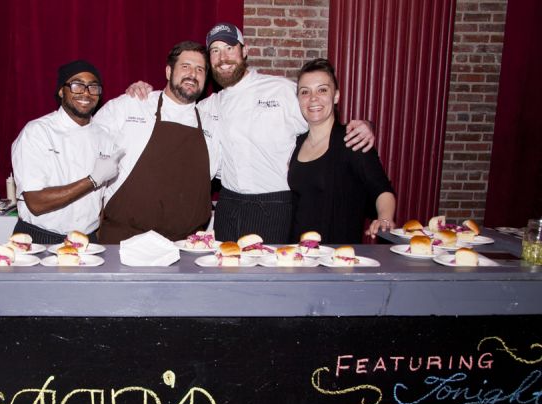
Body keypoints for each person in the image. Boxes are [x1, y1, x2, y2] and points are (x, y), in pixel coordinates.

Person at [127, 23, 375, 243]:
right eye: (215, 51)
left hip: (275, 206)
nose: (223, 57)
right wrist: (144, 93)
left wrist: (364, 125)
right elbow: (173, 105)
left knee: (270, 287)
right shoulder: (207, 105)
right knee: (225, 283)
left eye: (230, 48)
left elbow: (320, 115)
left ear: (244, 51)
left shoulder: (280, 90)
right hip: (228, 205)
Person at [91, 41, 220, 244]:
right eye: (185, 66)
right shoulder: (132, 105)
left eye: (200, 69)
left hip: (185, 246)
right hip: (124, 240)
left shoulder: (212, 124)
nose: (192, 74)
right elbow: (88, 149)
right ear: (168, 72)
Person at [10, 60, 121, 244]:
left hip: (87, 240)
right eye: (77, 85)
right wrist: (93, 180)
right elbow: (36, 203)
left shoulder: (105, 137)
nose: (86, 92)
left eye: (93, 87)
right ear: (62, 91)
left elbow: (101, 202)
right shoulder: (37, 132)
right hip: (39, 238)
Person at [288, 58, 395, 243]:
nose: (313, 98)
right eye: (305, 92)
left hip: (337, 260)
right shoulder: (297, 142)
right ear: (298, 99)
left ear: (336, 96)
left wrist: (384, 218)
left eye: (322, 90)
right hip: (299, 257)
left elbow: (382, 190)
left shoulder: (351, 139)